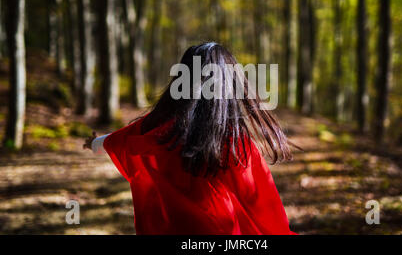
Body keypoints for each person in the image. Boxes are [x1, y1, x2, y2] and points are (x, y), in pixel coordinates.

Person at [83, 42, 298, 235]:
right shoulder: (230, 141)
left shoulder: (157, 128)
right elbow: (260, 200)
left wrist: (94, 144)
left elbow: (119, 140)